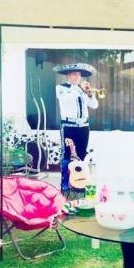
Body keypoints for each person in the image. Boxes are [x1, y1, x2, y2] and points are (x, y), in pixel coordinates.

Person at [53, 63, 99, 192]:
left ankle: (79, 183)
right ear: (68, 76)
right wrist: (80, 90)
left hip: (83, 125)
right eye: (74, 74)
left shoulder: (82, 90)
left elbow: (94, 105)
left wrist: (89, 94)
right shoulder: (61, 88)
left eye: (79, 75)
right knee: (67, 154)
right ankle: (65, 183)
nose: (78, 77)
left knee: (81, 153)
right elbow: (67, 99)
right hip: (69, 125)